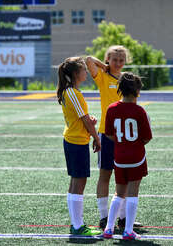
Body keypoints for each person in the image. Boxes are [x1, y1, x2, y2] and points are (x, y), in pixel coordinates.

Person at [86, 46, 142, 230]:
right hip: (106, 133)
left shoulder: (129, 79)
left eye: (121, 60)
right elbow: (88, 60)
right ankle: (104, 217)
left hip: (125, 136)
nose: (118, 63)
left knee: (125, 178)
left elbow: (134, 104)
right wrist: (105, 67)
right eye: (114, 59)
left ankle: (124, 217)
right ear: (108, 59)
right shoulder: (103, 76)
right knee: (105, 175)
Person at [102, 72, 152, 240]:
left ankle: (109, 228)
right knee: (133, 193)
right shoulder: (139, 111)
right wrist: (134, 144)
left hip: (119, 156)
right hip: (136, 157)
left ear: (120, 89)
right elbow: (147, 137)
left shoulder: (111, 108)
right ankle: (128, 230)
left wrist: (122, 142)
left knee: (118, 193)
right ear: (137, 91)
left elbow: (109, 134)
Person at [57, 56, 102, 236]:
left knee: (76, 181)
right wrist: (97, 138)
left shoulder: (71, 92)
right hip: (76, 142)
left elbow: (82, 117)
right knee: (79, 182)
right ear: (76, 73)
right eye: (83, 69)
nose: (86, 73)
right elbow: (84, 119)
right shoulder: (73, 93)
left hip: (76, 140)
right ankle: (78, 226)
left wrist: (89, 121)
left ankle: (76, 223)